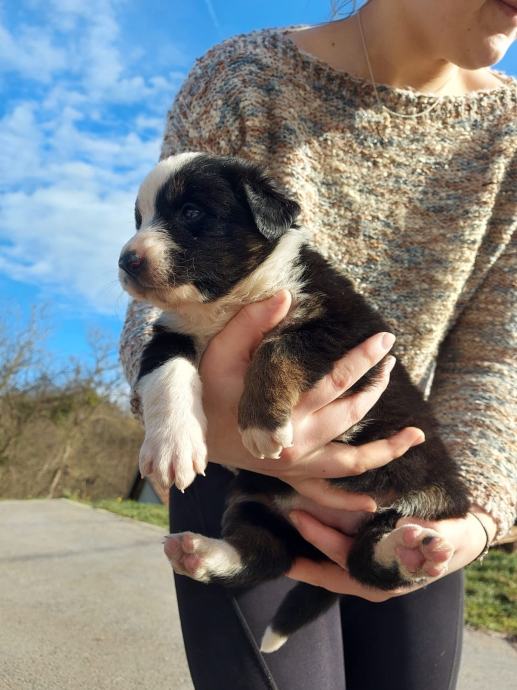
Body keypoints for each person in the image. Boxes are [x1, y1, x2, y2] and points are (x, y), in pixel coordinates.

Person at [120, 1, 516, 688]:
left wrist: (474, 521)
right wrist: (212, 425)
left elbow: (498, 357)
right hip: (225, 461)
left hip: (406, 475)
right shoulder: (244, 79)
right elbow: (158, 310)